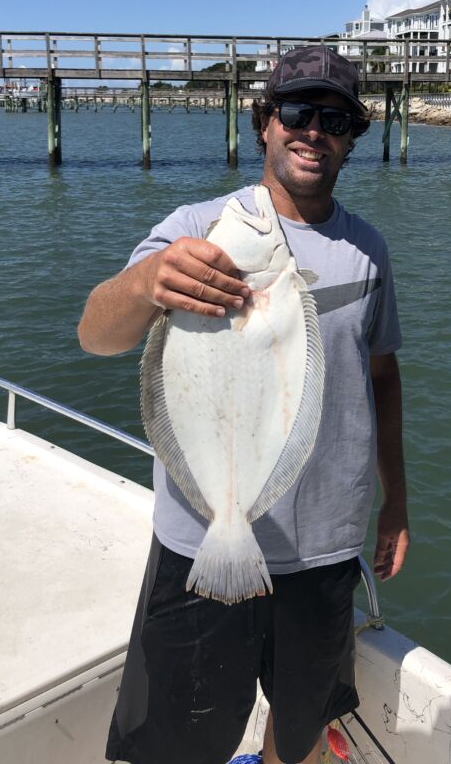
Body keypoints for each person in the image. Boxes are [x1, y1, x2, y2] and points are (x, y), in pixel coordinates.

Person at [78, 45, 409, 764]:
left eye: (333, 119)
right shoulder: (195, 229)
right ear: (264, 123)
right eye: (296, 112)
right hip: (203, 542)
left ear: (352, 137)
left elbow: (381, 377)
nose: (312, 131)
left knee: (298, 729)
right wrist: (146, 285)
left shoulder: (368, 251)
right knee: (171, 742)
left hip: (324, 546)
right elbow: (95, 334)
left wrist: (397, 504)